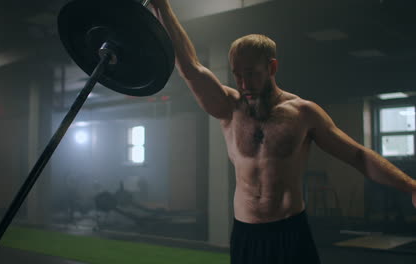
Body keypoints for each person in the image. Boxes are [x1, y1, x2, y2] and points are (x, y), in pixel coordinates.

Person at [150, 1, 416, 263]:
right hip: (247, 233)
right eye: (237, 75)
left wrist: (411, 186)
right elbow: (189, 67)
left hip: (290, 232)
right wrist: (163, 6)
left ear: (272, 68)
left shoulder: (303, 113)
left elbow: (358, 156)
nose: (243, 83)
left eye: (252, 74)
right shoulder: (229, 107)